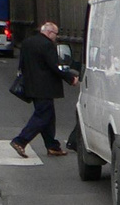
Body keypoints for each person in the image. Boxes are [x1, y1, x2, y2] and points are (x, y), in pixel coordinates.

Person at [11, 21, 77, 159]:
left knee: (48, 116)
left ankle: (52, 146)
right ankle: (20, 141)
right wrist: (70, 78)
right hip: (45, 87)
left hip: (31, 85)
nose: (56, 37)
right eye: (55, 34)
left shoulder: (28, 42)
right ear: (49, 32)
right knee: (42, 116)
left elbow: (22, 64)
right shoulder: (47, 45)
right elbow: (54, 66)